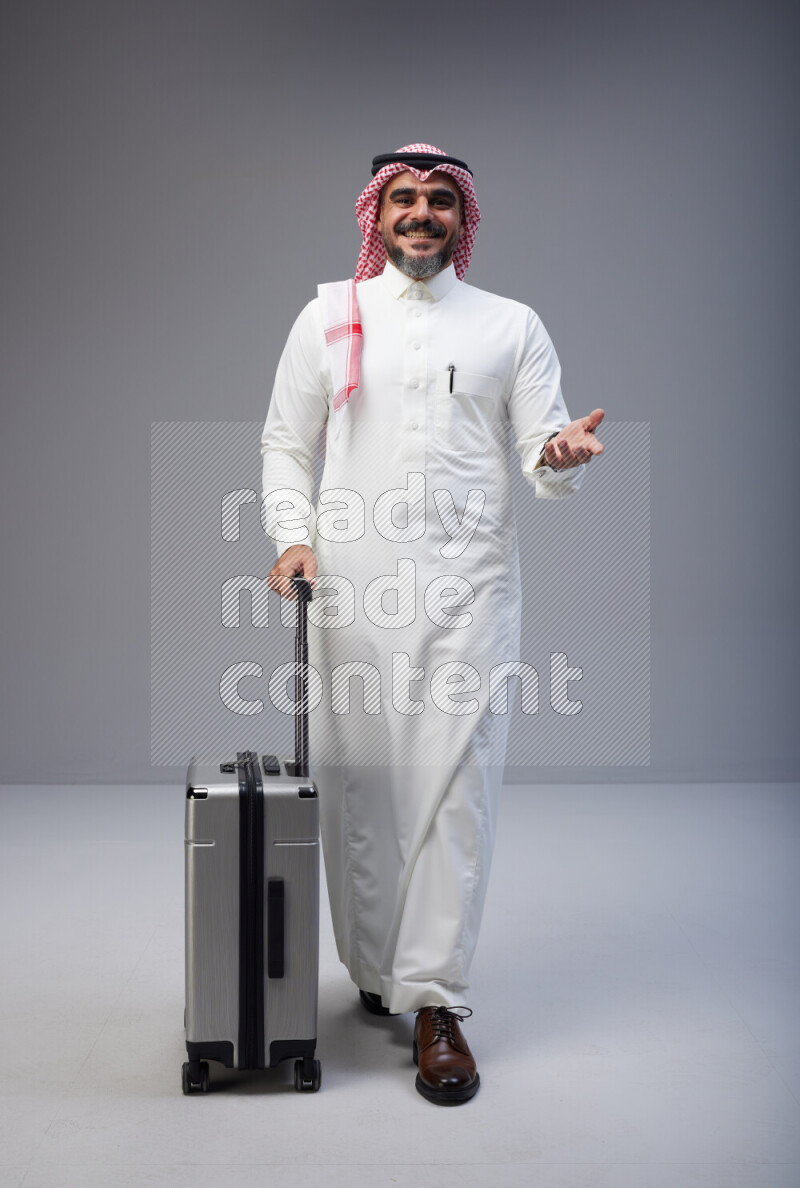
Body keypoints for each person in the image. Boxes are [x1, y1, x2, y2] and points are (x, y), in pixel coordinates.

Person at [261, 143, 604, 1105]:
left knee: (456, 791)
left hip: (468, 594)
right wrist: (293, 539)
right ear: (378, 214)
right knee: (363, 788)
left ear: (464, 217)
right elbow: (287, 444)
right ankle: (380, 975)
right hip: (352, 594)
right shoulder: (329, 316)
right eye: (404, 198)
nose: (421, 213)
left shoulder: (509, 325)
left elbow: (546, 451)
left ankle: (438, 1006)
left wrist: (567, 451)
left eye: (439, 200)